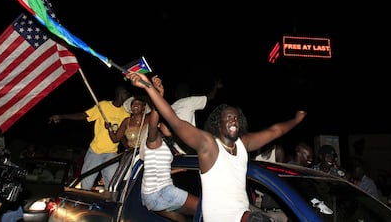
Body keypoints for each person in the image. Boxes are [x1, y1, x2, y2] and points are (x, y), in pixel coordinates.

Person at [127, 72, 307, 222]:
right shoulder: (209, 145)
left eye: (236, 117)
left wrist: (297, 120)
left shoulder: (243, 144)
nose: (233, 120)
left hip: (243, 215)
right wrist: (150, 88)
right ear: (218, 125)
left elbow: (275, 131)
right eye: (228, 118)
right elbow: (176, 122)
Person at [48, 85, 131, 190]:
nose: (128, 96)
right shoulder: (103, 106)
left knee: (112, 186)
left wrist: (129, 148)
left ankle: (108, 205)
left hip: (111, 153)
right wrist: (61, 116)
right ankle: (80, 204)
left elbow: (121, 135)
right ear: (120, 93)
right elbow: (84, 116)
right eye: (127, 94)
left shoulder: (126, 113)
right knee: (86, 183)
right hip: (96, 151)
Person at [140, 76, 198, 219]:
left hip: (149, 196)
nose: (170, 125)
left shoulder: (166, 147)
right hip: (160, 192)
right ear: (160, 126)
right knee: (205, 208)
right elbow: (153, 124)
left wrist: (178, 170)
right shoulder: (153, 141)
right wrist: (158, 96)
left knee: (181, 219)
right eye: (166, 123)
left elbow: (158, 169)